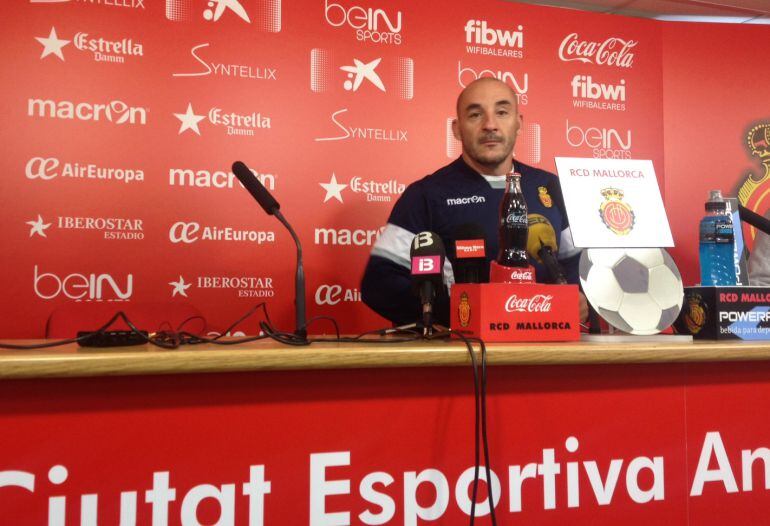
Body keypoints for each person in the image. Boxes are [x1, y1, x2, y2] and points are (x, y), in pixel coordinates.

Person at [361, 77, 587, 326]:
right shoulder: (425, 195)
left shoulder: (552, 187)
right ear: (457, 129)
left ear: (519, 123)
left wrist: (576, 299)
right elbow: (380, 283)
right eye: (475, 115)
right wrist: (464, 311)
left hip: (548, 345)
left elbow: (581, 268)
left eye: (502, 112)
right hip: (461, 346)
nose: (490, 125)